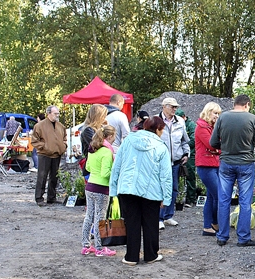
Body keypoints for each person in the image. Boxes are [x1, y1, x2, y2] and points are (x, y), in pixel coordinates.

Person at [110, 116, 174, 265]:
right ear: (158, 129)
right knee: (150, 223)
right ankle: (151, 254)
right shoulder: (161, 147)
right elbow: (165, 175)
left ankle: (131, 256)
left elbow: (117, 166)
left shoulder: (128, 141)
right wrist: (167, 198)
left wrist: (113, 189)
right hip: (151, 191)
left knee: (131, 222)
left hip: (127, 188)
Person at [209, 94, 255, 247]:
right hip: (245, 164)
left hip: (226, 163)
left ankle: (222, 236)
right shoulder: (252, 119)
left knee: (223, 200)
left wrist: (227, 147)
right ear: (247, 104)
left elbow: (213, 142)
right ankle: (243, 238)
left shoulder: (222, 118)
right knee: (245, 201)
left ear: (234, 103)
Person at [80, 127, 117, 257]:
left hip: (90, 186)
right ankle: (100, 247)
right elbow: (105, 173)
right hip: (102, 188)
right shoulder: (107, 152)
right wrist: (116, 173)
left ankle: (85, 245)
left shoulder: (92, 150)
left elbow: (88, 167)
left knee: (89, 216)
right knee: (100, 218)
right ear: (110, 136)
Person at [157, 97, 189, 229]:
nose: (175, 109)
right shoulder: (156, 120)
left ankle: (169, 216)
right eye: (172, 107)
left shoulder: (180, 121)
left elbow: (184, 140)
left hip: (175, 161)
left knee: (174, 188)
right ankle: (159, 217)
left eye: (176, 107)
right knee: (160, 189)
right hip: (160, 162)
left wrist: (186, 153)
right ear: (164, 106)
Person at [194, 102, 222, 236]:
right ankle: (213, 223)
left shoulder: (211, 127)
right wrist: (219, 148)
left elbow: (220, 144)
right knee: (218, 195)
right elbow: (213, 144)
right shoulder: (201, 127)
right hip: (206, 166)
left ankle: (209, 225)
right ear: (208, 112)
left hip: (215, 164)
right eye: (215, 113)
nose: (217, 116)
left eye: (218, 114)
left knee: (211, 196)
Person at [32, 105, 67, 205]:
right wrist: (44, 147)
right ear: (49, 113)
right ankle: (39, 198)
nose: (57, 115)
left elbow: (64, 138)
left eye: (58, 113)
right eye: (55, 113)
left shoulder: (61, 126)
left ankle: (52, 197)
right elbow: (34, 140)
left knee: (54, 177)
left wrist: (63, 146)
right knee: (42, 176)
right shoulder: (39, 126)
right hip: (44, 155)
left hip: (57, 154)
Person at [79, 104, 108, 180]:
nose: (105, 118)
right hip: (92, 168)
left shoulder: (99, 128)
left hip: (99, 166)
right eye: (103, 116)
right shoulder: (88, 130)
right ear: (98, 117)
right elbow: (97, 145)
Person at [177, 108, 198, 206]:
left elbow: (193, 140)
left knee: (190, 175)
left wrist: (182, 147)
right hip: (177, 154)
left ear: (183, 117)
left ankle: (191, 198)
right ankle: (177, 199)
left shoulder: (191, 125)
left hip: (190, 154)